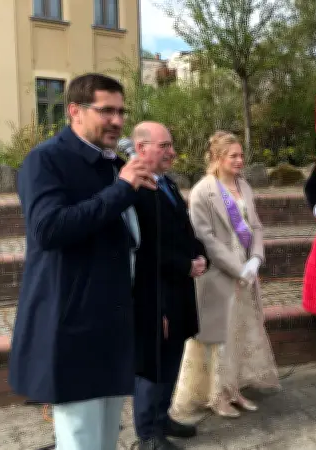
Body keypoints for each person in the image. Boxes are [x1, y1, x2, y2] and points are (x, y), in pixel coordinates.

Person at [10, 73, 157, 450]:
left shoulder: (111, 164)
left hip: (110, 322)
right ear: (75, 111)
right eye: (106, 110)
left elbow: (124, 235)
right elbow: (48, 229)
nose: (118, 121)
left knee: (106, 439)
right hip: (71, 325)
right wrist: (122, 189)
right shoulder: (46, 160)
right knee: (80, 441)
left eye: (121, 112)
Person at [168, 130, 280, 421]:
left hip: (246, 272)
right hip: (220, 275)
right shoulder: (202, 191)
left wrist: (256, 258)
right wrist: (238, 268)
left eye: (241, 155)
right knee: (219, 337)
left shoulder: (244, 186)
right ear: (218, 158)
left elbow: (255, 227)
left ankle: (234, 388)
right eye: (234, 156)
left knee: (239, 333)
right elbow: (205, 238)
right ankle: (216, 395)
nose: (240, 160)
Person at [130, 122, 209, 450]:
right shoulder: (133, 190)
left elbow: (183, 229)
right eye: (164, 146)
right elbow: (143, 246)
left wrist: (200, 255)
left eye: (170, 145)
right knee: (154, 364)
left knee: (173, 356)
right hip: (154, 292)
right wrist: (183, 264)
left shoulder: (167, 184)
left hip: (178, 290)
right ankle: (147, 434)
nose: (172, 153)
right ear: (141, 149)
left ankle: (162, 418)